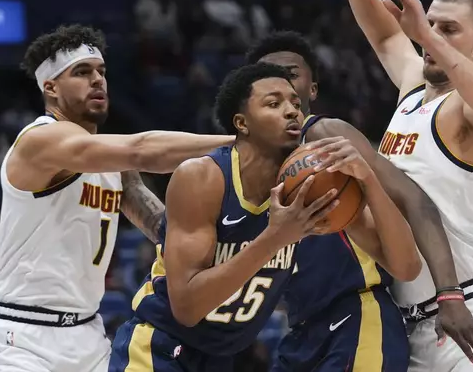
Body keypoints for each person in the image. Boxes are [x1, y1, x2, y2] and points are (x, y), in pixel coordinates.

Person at [110, 63, 418, 372]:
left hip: (219, 359)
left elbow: (405, 267)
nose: (291, 112)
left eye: (295, 104)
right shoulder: (203, 178)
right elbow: (187, 308)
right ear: (242, 123)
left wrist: (369, 181)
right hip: (157, 347)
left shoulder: (309, 184)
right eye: (274, 104)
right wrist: (276, 238)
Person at [0, 24, 235, 372]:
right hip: (21, 336)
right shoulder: (40, 141)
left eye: (101, 72)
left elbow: (144, 207)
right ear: (50, 87)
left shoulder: (108, 159)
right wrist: (243, 146)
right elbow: (142, 150)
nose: (97, 80)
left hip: (87, 333)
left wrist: (184, 242)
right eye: (82, 72)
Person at [246, 30, 473, 371]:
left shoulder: (325, 136)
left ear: (312, 89)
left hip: (357, 316)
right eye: (265, 76)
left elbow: (415, 201)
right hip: (302, 331)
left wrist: (449, 294)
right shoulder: (246, 162)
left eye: (290, 73)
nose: (279, 82)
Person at [344, 0, 473, 370]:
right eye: (428, 23)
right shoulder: (415, 88)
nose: (428, 34)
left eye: (448, 29)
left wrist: (426, 36)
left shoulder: (469, 111)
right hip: (414, 322)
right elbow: (382, 36)